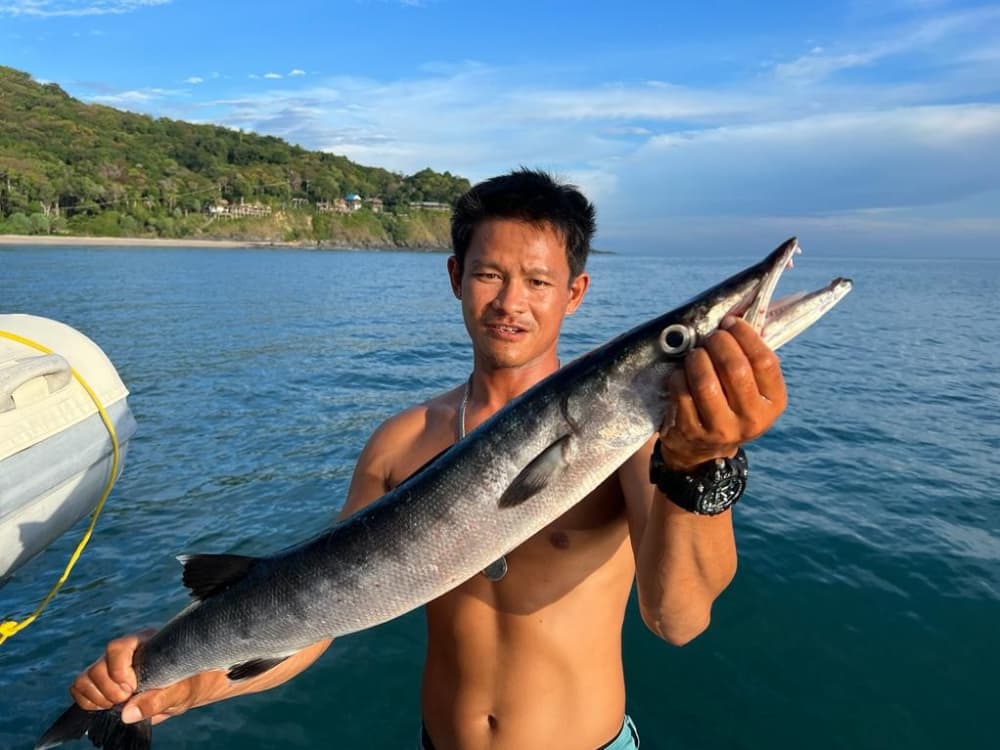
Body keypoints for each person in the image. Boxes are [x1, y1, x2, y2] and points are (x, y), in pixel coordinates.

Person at [68, 169, 787, 749]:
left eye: (538, 281)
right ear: (454, 278)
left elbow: (679, 618)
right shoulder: (398, 442)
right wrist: (195, 681)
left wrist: (703, 467)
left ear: (575, 294)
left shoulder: (634, 445)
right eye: (488, 275)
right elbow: (316, 611)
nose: (511, 302)